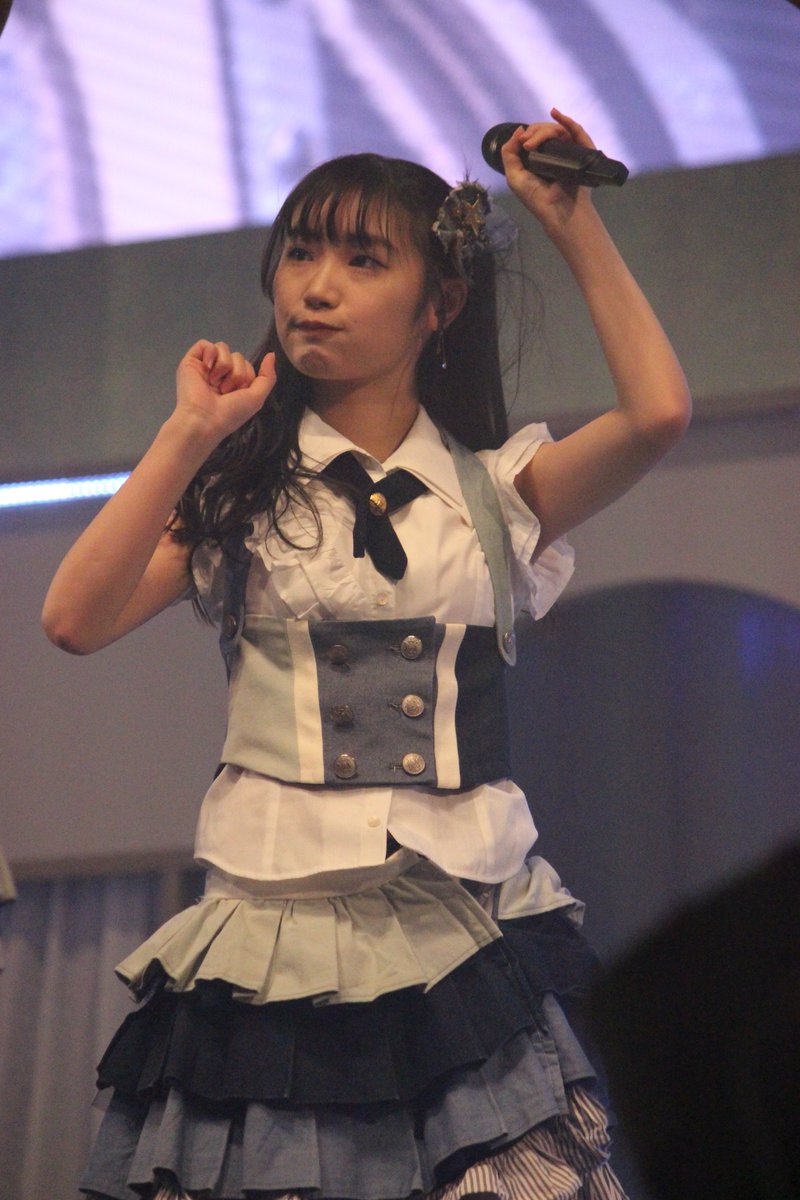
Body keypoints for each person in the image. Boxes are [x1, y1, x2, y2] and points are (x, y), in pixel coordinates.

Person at [43, 110, 691, 1200]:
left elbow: (658, 412)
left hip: (465, 921)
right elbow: (74, 618)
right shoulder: (242, 490)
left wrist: (568, 221)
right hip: (273, 932)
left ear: (440, 304)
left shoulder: (493, 494)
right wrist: (189, 433)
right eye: (299, 252)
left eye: (361, 259)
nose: (316, 287)